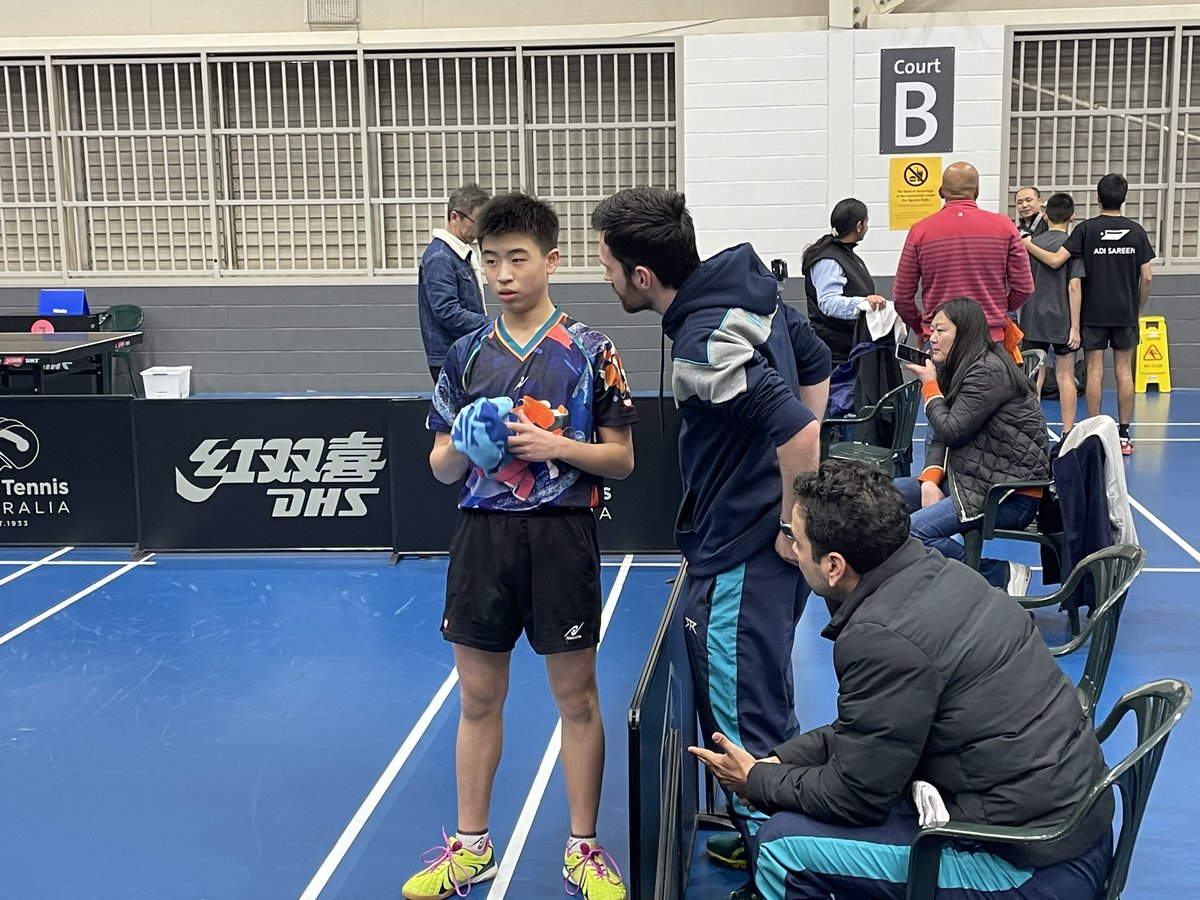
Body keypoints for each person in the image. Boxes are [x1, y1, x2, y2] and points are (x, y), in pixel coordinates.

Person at [690, 459, 1114, 900]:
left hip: (1031, 868)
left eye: (796, 542)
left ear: (834, 565)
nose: (792, 552)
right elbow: (878, 731)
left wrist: (756, 782)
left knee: (782, 846)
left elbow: (855, 796)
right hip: (1067, 824)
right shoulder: (940, 574)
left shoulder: (881, 637)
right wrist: (780, 762)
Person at [591, 186, 831, 894]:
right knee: (768, 699)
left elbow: (801, 429)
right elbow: (815, 365)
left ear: (642, 275)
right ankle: (782, 831)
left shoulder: (702, 345)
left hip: (742, 559)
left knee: (738, 724)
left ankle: (778, 870)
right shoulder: (747, 293)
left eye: (608, 266)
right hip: (759, 553)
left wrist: (791, 518)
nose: (604, 279)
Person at [409, 192, 636, 900]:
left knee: (576, 697)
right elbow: (440, 463)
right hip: (481, 536)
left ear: (551, 260)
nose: (502, 274)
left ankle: (584, 849)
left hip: (561, 535)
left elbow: (622, 459)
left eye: (517, 259)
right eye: (490, 261)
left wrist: (555, 445)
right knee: (478, 696)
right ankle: (471, 849)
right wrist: (468, 447)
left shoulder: (591, 349)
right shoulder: (466, 351)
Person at [897, 298, 1050, 596]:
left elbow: (951, 430)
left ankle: (998, 575)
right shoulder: (961, 366)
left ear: (964, 332)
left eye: (941, 331)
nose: (932, 338)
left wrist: (930, 386)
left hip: (1008, 494)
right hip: (972, 479)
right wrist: (929, 480)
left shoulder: (987, 372)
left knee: (914, 531)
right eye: (932, 330)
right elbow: (943, 434)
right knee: (885, 500)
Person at [1025, 173, 1154, 455]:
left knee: (1095, 370)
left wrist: (1027, 243)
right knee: (1124, 370)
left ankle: (1095, 432)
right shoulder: (1136, 231)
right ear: (1125, 198)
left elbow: (1057, 260)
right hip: (1125, 313)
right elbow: (1146, 278)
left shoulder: (1086, 230)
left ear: (1097, 198)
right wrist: (1137, 310)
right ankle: (1123, 434)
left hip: (1093, 312)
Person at [893, 162, 1034, 343]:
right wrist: (997, 309)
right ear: (977, 191)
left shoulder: (920, 231)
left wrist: (920, 326)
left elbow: (901, 296)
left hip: (940, 340)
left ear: (941, 192)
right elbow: (1024, 287)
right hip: (988, 340)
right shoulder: (1005, 227)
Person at [1020, 192, 1086, 433]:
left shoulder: (1031, 245)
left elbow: (1021, 282)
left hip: (1033, 318)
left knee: (1032, 377)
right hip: (1062, 320)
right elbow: (1074, 286)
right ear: (1073, 217)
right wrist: (1075, 326)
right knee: (1065, 376)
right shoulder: (1073, 247)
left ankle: (1031, 430)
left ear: (1045, 216)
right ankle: (1069, 431)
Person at [419, 183, 491, 384]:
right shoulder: (440, 257)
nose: (479, 230)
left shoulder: (459, 254)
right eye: (476, 222)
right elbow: (447, 311)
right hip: (450, 356)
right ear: (454, 217)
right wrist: (492, 325)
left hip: (463, 350)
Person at [801, 198, 888, 365]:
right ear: (859, 226)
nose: (868, 227)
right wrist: (863, 303)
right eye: (867, 222)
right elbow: (828, 303)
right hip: (835, 354)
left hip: (850, 349)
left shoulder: (849, 257)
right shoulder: (829, 260)